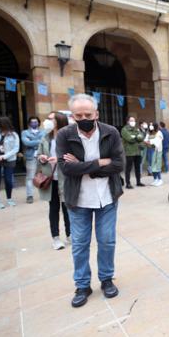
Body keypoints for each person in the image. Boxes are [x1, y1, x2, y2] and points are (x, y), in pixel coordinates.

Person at [57, 93, 124, 308]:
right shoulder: (64, 135)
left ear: (96, 113)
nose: (84, 118)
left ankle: (106, 279)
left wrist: (83, 165)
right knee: (79, 244)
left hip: (107, 197)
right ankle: (82, 285)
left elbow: (118, 164)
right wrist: (99, 163)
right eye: (79, 115)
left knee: (106, 241)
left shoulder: (110, 132)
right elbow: (66, 168)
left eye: (88, 114)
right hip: (78, 199)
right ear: (72, 116)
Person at [37, 111, 71, 250]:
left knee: (68, 208)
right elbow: (38, 154)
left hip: (65, 178)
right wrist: (41, 157)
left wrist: (59, 159)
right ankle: (56, 237)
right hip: (50, 178)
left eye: (51, 119)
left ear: (59, 121)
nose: (47, 121)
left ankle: (70, 234)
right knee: (53, 208)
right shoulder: (45, 137)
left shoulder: (68, 137)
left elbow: (76, 156)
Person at [21, 116, 45, 203]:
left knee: (45, 175)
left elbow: (45, 141)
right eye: (32, 122)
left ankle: (45, 193)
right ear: (29, 123)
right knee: (30, 177)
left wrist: (32, 141)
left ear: (38, 123)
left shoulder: (43, 132)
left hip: (42, 156)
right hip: (31, 157)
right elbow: (26, 142)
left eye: (35, 122)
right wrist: (39, 141)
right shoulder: (25, 132)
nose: (34, 123)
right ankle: (29, 195)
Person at [121, 116, 145, 189]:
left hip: (137, 151)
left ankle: (138, 181)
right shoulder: (124, 130)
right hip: (130, 152)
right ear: (128, 121)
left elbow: (141, 137)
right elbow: (130, 139)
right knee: (128, 168)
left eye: (134, 120)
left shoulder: (136, 129)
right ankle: (128, 183)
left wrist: (136, 137)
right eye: (131, 120)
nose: (133, 122)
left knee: (137, 167)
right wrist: (137, 138)